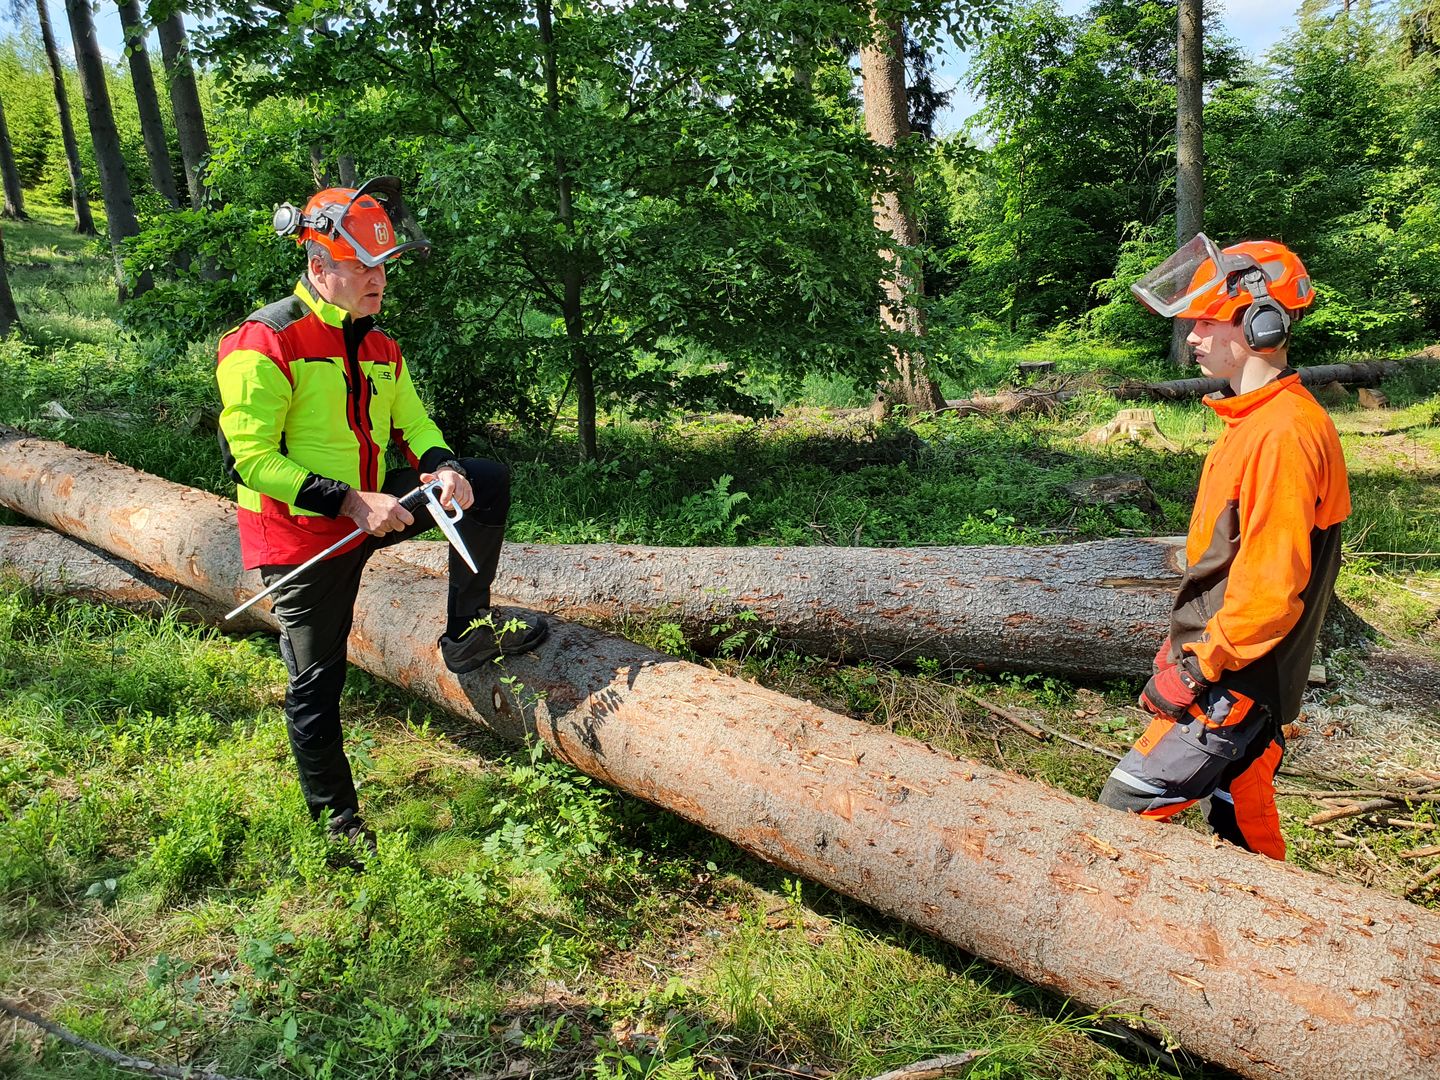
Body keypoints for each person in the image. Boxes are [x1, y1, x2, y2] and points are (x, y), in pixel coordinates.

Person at [215, 177, 547, 846]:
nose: (377, 281)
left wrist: (445, 468)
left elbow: (415, 425)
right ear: (318, 266)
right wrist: (349, 502)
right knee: (316, 683)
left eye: (382, 268)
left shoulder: (377, 346)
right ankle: (337, 822)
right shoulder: (265, 340)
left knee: (485, 478)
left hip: (373, 505)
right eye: (362, 267)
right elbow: (250, 461)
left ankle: (467, 634)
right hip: (302, 535)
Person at [1098, 234, 1350, 860]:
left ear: (1262, 323)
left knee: (1125, 807)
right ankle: (1274, 928)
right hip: (1237, 664)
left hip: (1239, 675)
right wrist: (1179, 640)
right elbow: (1223, 560)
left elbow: (1268, 592)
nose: (1192, 337)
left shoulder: (1283, 434)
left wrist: (1197, 667)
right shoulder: (1253, 419)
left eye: (1207, 321)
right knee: (1243, 817)